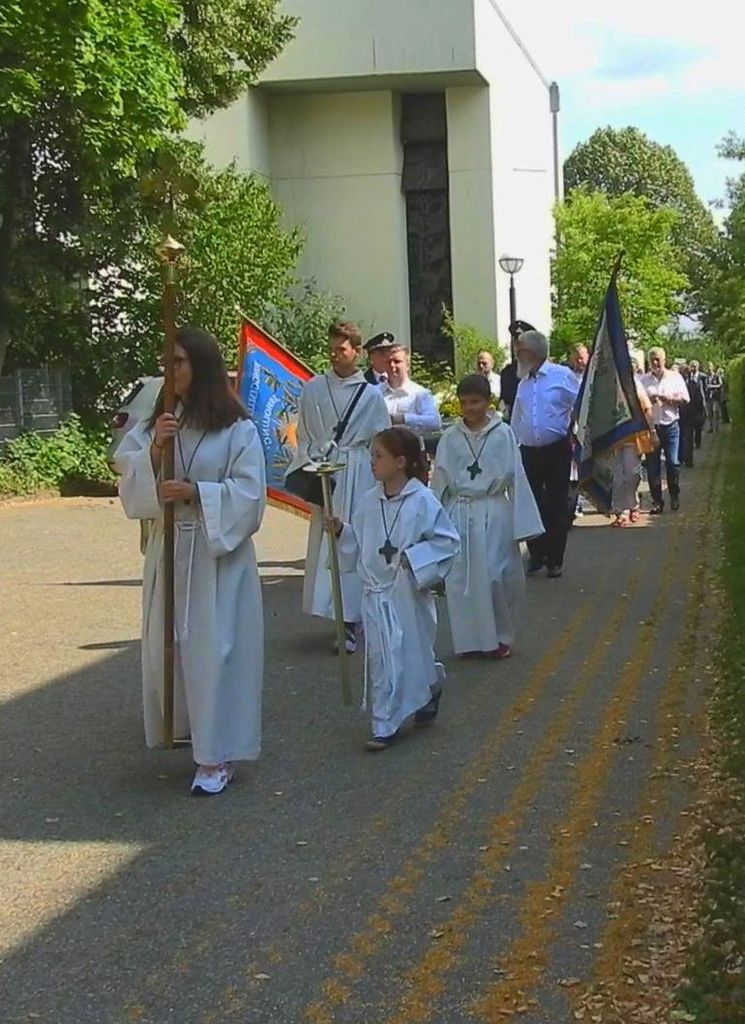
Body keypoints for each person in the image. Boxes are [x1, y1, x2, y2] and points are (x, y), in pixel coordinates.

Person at [115, 327, 266, 796]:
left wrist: (198, 492)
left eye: (178, 362)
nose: (170, 370)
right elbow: (129, 477)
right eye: (167, 362)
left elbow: (250, 494)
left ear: (200, 366)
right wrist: (156, 449)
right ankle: (185, 729)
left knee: (214, 651)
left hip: (215, 557)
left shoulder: (236, 429)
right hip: (172, 552)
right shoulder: (161, 421)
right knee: (173, 644)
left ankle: (217, 755)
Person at [325, 427, 459, 751]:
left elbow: (447, 542)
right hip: (376, 594)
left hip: (407, 592)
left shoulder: (422, 501)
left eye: (378, 456)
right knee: (382, 657)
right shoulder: (368, 501)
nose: (371, 462)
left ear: (400, 462)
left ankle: (431, 684)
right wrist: (342, 531)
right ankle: (385, 722)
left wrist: (416, 559)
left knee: (412, 653)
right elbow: (361, 541)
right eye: (371, 455)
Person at [285, 320, 390, 653]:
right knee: (328, 543)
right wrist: (310, 463)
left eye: (341, 349)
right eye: (330, 349)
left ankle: (354, 618)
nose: (334, 355)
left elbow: (380, 440)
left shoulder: (371, 395)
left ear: (356, 352)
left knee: (353, 541)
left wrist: (381, 477)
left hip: (357, 472)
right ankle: (337, 615)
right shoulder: (313, 388)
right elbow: (304, 434)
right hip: (325, 472)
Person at [431, 374, 543, 659]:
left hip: (493, 510)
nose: (470, 408)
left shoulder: (502, 434)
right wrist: (431, 522)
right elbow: (440, 480)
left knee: (495, 575)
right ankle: (469, 641)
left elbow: (516, 476)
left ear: (487, 402)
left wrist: (525, 523)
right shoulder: (450, 437)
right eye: (464, 402)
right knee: (461, 579)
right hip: (460, 511)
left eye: (476, 402)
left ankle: (500, 637)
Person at [510, 330, 580, 578]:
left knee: (556, 504)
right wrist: (512, 446)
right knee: (530, 503)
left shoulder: (562, 376)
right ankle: (536, 554)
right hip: (528, 452)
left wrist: (577, 432)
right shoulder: (523, 383)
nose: (517, 355)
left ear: (534, 352)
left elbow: (580, 405)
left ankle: (554, 558)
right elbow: (517, 418)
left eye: (521, 351)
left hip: (556, 450)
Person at [640, 347, 689, 514]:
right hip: (651, 427)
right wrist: (648, 400)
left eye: (658, 359)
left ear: (664, 360)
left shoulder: (675, 377)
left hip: (670, 425)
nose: (655, 363)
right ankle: (657, 501)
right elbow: (637, 402)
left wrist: (669, 399)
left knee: (673, 463)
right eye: (652, 360)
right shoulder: (644, 380)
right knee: (652, 466)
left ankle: (674, 494)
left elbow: (685, 399)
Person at [610, 374, 656, 526]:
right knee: (617, 478)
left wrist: (652, 431)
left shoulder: (634, 383)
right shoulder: (605, 383)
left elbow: (647, 409)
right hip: (613, 439)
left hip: (632, 437)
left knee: (632, 475)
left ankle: (633, 504)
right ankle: (621, 511)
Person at [381, 344, 442, 438]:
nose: (392, 365)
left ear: (407, 365)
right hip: (381, 446)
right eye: (388, 362)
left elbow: (435, 422)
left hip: (410, 445)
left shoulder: (420, 393)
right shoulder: (376, 393)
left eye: (397, 361)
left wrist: (404, 418)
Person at [499, 320, 535, 420]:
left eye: (523, 342)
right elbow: (505, 404)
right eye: (516, 342)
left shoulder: (542, 370)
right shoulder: (507, 373)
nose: (519, 347)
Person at [688, 360, 707, 448]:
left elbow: (705, 389)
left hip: (699, 404)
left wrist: (704, 402)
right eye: (691, 366)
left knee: (698, 425)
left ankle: (698, 442)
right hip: (690, 404)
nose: (693, 368)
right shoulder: (688, 376)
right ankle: (691, 442)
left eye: (694, 366)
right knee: (691, 425)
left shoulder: (702, 376)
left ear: (698, 367)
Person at [706, 364, 724, 433]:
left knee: (715, 412)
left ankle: (716, 427)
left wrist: (712, 386)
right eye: (708, 368)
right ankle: (711, 427)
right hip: (708, 397)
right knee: (709, 413)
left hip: (715, 397)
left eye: (710, 368)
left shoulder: (716, 376)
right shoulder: (706, 377)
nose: (709, 369)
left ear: (712, 368)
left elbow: (720, 384)